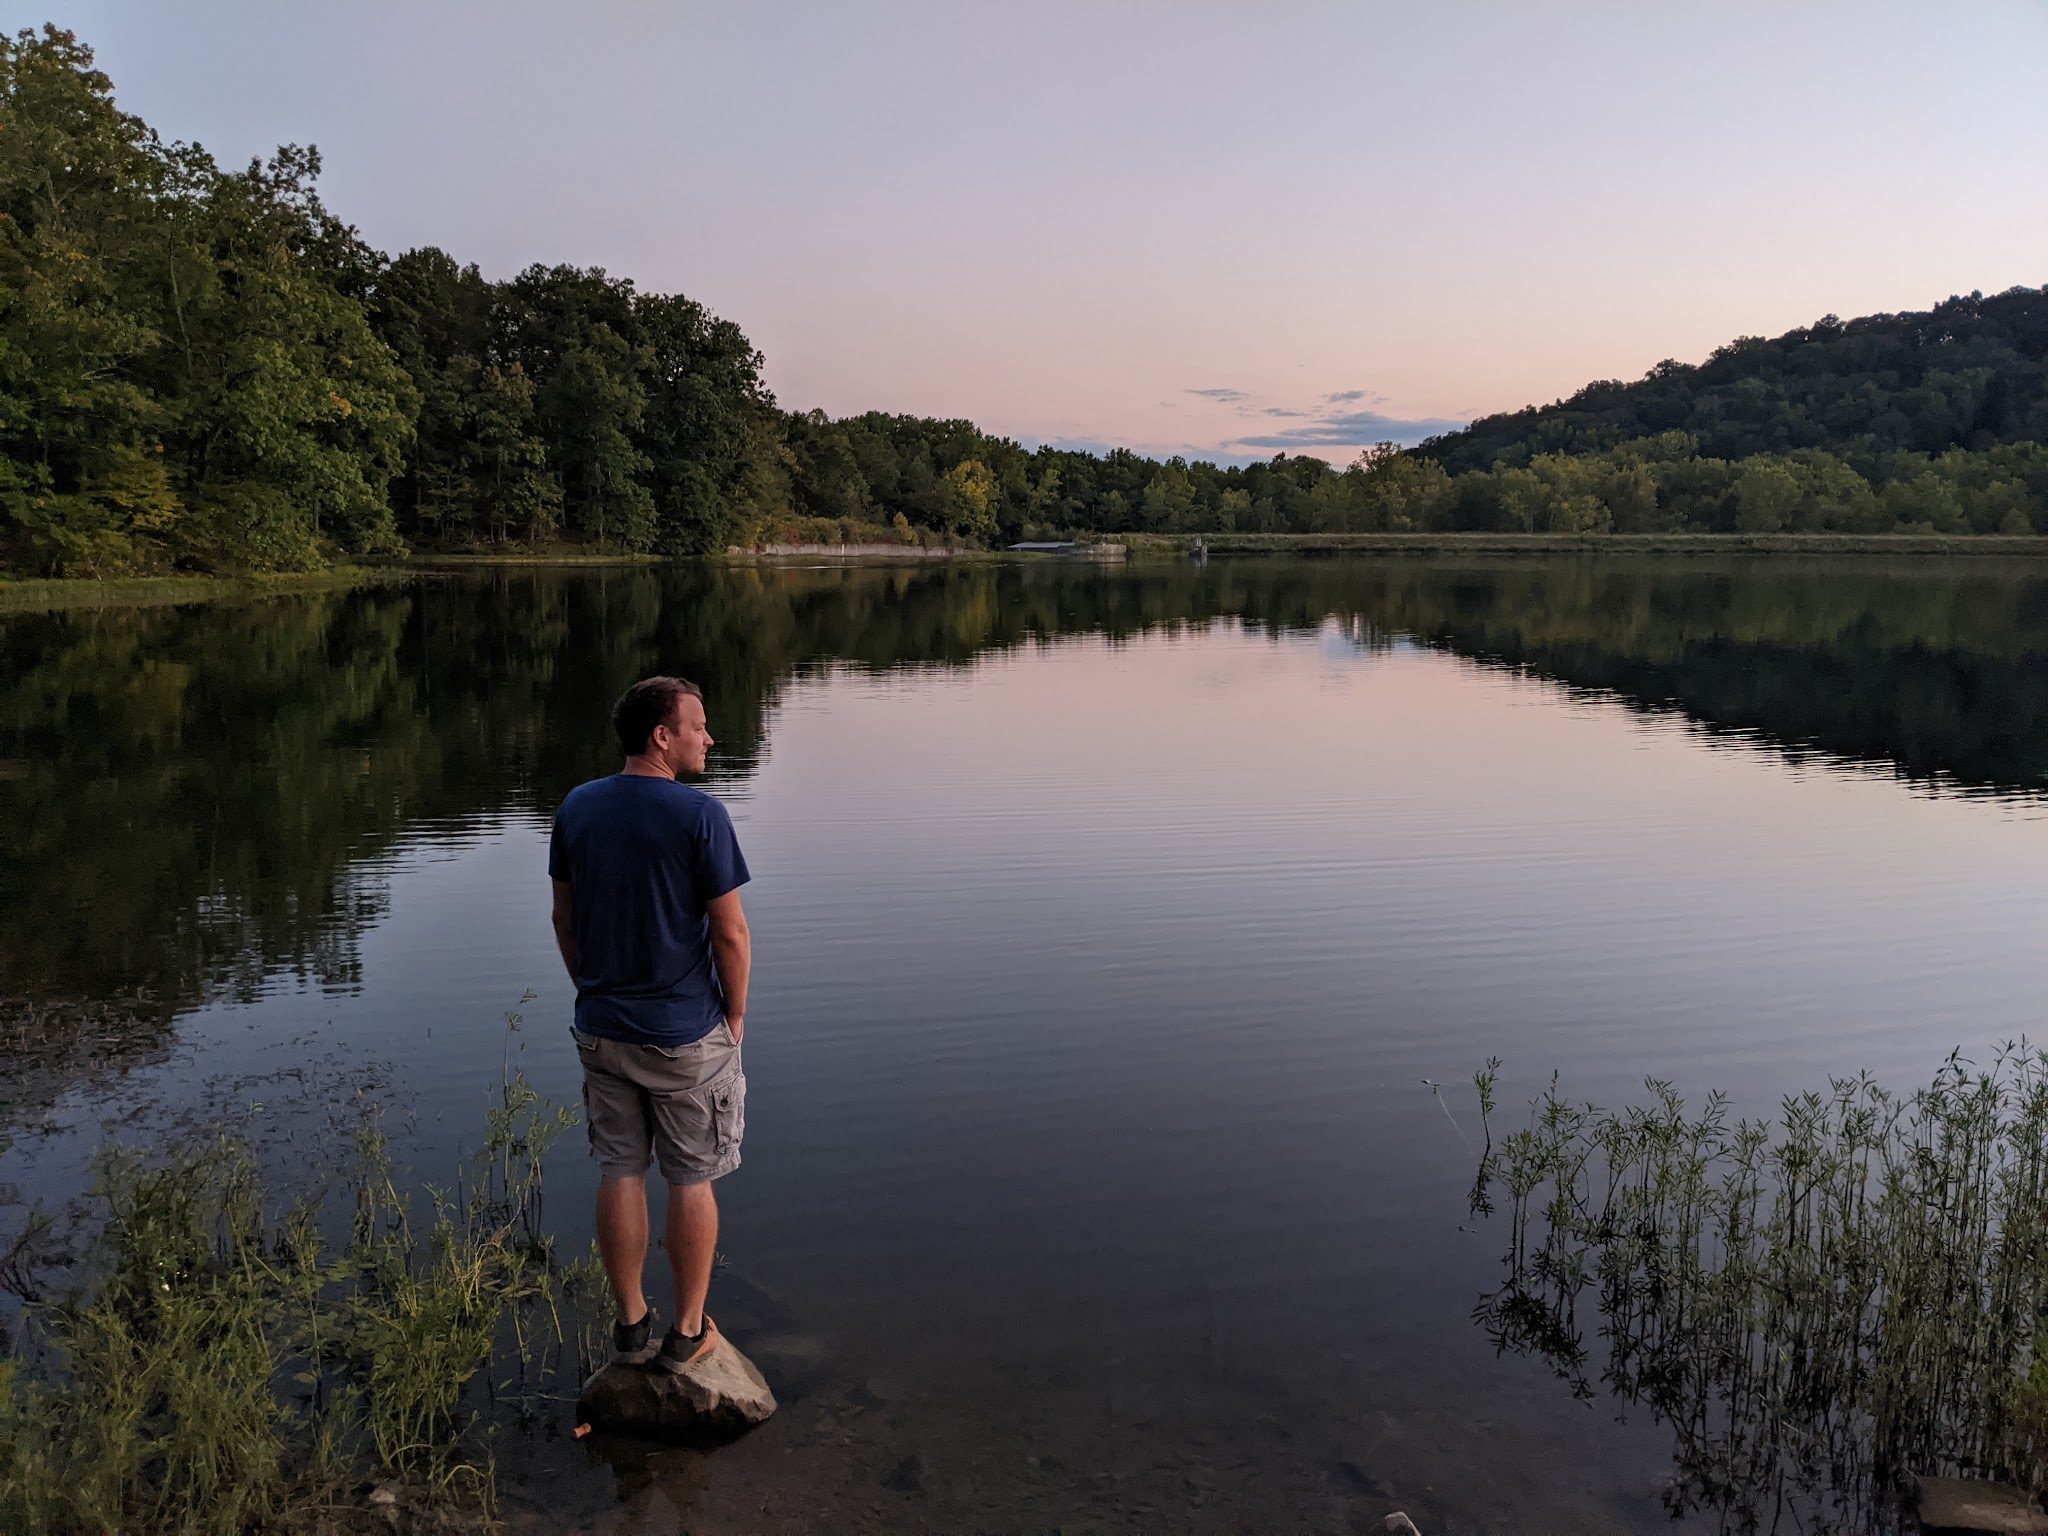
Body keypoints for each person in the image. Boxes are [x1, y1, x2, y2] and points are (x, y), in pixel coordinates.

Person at [549, 675, 751, 1373]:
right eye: (698, 725)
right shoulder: (700, 815)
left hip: (602, 1029)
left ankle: (632, 1325)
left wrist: (594, 992)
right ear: (661, 736)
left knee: (621, 1171)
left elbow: (563, 920)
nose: (709, 737)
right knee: (691, 1179)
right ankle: (689, 1331)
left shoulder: (578, 806)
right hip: (684, 1035)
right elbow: (730, 935)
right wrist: (735, 1015)